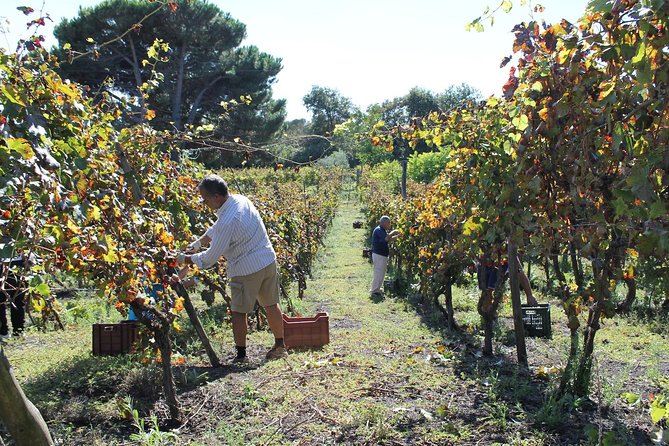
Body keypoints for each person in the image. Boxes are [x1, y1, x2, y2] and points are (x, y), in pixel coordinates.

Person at [176, 174, 287, 363]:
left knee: (238, 311)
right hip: (267, 259)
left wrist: (185, 258)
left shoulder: (228, 222)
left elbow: (209, 259)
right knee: (271, 304)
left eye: (205, 199)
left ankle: (241, 356)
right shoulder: (240, 200)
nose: (204, 203)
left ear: (216, 197)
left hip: (246, 269)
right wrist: (199, 242)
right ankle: (280, 346)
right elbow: (217, 227)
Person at [369, 216, 400, 297]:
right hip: (379, 255)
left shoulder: (382, 230)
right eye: (389, 223)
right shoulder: (379, 230)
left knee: (381, 273)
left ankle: (377, 289)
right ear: (384, 223)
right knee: (378, 273)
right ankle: (374, 291)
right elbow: (386, 238)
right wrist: (393, 232)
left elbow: (389, 239)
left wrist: (397, 237)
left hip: (381, 255)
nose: (390, 225)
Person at [0, 257, 27, 338]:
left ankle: (4, 332)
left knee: (15, 300)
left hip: (13, 262)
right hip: (15, 262)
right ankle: (17, 331)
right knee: (18, 300)